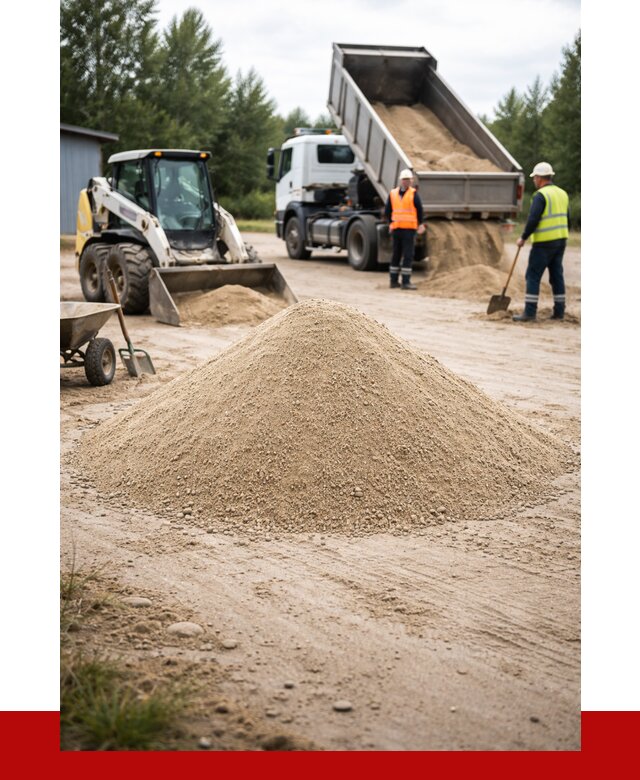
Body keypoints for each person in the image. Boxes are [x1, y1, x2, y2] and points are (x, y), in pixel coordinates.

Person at [513, 162, 570, 322]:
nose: (534, 181)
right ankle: (559, 312)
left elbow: (533, 219)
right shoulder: (562, 193)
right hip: (561, 240)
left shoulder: (541, 195)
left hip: (544, 243)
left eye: (534, 178)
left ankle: (530, 313)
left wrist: (523, 237)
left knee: (533, 275)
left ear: (539, 178)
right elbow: (568, 218)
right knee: (557, 276)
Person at [384, 169, 426, 289]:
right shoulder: (393, 194)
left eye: (408, 180)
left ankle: (404, 281)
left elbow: (419, 210)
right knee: (398, 254)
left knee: (407, 255)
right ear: (401, 180)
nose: (406, 182)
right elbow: (388, 211)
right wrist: (391, 224)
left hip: (409, 229)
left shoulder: (413, 193)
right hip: (398, 229)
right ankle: (396, 282)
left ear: (411, 181)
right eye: (405, 179)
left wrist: (421, 224)